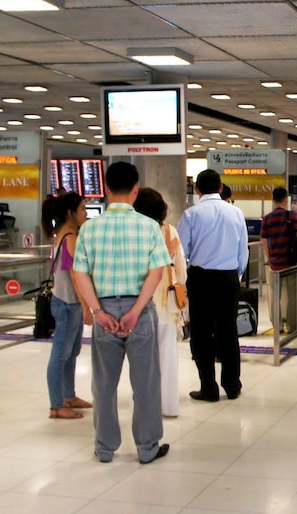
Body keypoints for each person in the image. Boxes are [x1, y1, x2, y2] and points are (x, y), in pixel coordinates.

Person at [71, 162, 171, 464]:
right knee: (146, 383)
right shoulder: (149, 226)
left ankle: (104, 447)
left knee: (103, 384)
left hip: (105, 312)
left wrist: (98, 312)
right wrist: (137, 309)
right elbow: (157, 272)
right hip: (138, 313)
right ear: (136, 189)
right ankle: (147, 448)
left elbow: (80, 274)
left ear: (106, 188)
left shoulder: (89, 228)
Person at [178, 169, 248, 402]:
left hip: (201, 278)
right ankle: (232, 384)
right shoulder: (236, 213)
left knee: (201, 333)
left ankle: (208, 386)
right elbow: (243, 249)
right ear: (220, 188)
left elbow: (181, 250)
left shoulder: (191, 215)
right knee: (228, 331)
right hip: (228, 277)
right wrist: (237, 274)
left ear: (196, 189)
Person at [133, 188, 187, 418]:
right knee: (168, 356)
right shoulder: (169, 232)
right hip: (167, 304)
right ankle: (169, 405)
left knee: (143, 360)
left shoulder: (134, 232)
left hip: (140, 304)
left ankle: (146, 406)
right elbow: (181, 270)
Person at [41, 192, 92, 420]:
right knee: (60, 355)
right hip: (68, 303)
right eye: (82, 209)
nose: (86, 213)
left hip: (69, 302)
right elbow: (75, 274)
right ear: (71, 212)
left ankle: (68, 396)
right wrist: (87, 306)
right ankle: (56, 404)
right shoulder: (69, 236)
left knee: (71, 352)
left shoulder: (65, 233)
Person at [261, 187, 297, 334]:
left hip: (275, 263)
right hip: (290, 262)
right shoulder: (292, 215)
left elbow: (264, 240)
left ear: (273, 200)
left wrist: (269, 257)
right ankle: (292, 326)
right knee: (292, 295)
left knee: (275, 297)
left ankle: (278, 326)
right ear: (286, 200)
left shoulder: (267, 218)